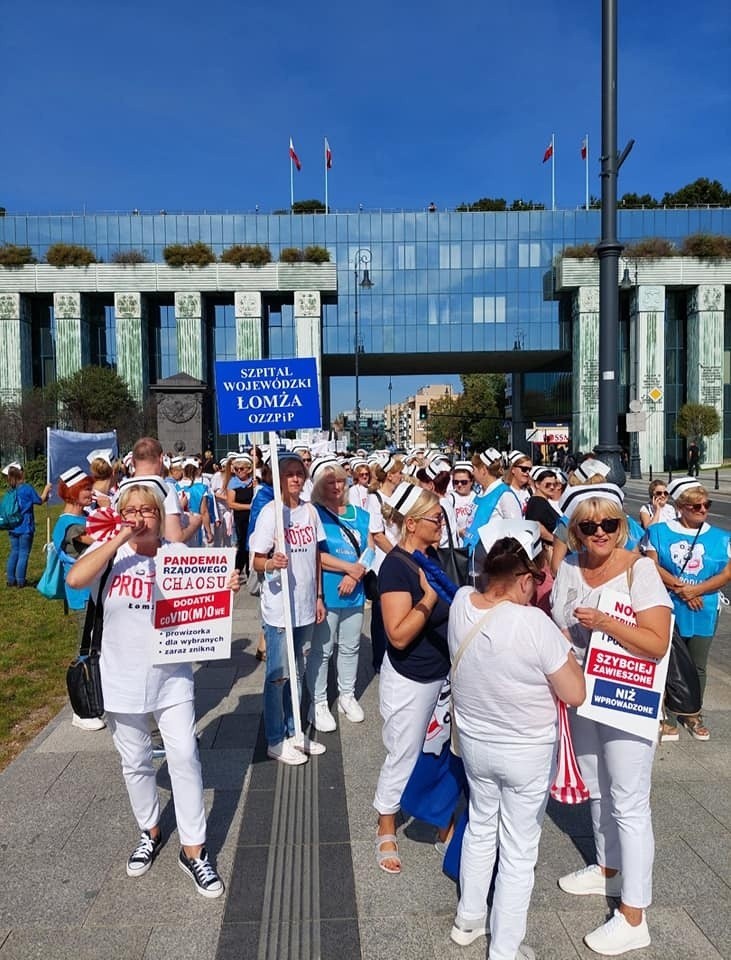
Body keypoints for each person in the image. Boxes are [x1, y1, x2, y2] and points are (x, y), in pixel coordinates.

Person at [66, 476, 238, 897]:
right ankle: (150, 829)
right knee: (136, 761)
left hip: (172, 677)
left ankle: (194, 850)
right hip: (121, 676)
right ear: (120, 515)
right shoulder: (111, 556)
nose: (141, 517)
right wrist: (119, 536)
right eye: (132, 510)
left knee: (184, 755)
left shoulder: (177, 554)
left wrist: (224, 588)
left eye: (148, 511)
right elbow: (75, 580)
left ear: (161, 518)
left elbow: (204, 599)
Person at [448, 526, 585, 955]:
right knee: (519, 850)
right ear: (526, 578)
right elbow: (575, 692)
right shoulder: (534, 624)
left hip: (474, 742)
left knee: (481, 824)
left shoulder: (459, 603)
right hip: (525, 750)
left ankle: (467, 920)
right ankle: (505, 948)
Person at [551, 491, 672, 956]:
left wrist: (603, 620)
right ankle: (608, 867)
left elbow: (656, 641)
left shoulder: (638, 568)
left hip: (627, 695)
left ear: (621, 524)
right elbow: (559, 620)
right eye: (587, 525)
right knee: (597, 787)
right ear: (574, 529)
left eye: (608, 523)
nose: (599, 531)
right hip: (582, 691)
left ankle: (634, 915)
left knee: (629, 801)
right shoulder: (568, 567)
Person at [373, 482, 451, 875]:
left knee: (441, 752)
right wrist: (429, 600)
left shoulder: (432, 556)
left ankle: (442, 821)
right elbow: (398, 634)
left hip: (443, 674)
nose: (442, 524)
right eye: (436, 519)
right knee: (404, 751)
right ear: (413, 523)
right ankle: (386, 823)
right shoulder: (396, 567)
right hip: (410, 677)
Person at [249, 453, 327, 765]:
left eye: (299, 473)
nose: (295, 478)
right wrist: (270, 562)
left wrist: (319, 595)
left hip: (306, 604)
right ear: (278, 479)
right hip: (280, 607)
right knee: (278, 675)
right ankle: (275, 738)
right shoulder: (271, 513)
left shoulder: (310, 511)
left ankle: (295, 731)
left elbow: (318, 558)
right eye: (289, 474)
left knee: (299, 671)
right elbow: (255, 560)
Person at [644, 477, 731, 742]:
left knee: (697, 664)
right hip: (669, 606)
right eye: (696, 506)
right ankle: (667, 715)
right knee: (667, 661)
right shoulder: (658, 532)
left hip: (705, 606)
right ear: (681, 506)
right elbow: (650, 565)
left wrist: (698, 590)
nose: (703, 510)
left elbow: (727, 572)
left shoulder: (720, 536)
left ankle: (693, 712)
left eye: (706, 504)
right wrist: (683, 588)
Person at [306, 456, 371, 730]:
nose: (336, 486)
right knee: (322, 649)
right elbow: (315, 554)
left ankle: (347, 694)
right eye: (329, 481)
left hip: (355, 589)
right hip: (327, 591)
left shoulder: (361, 514)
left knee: (350, 646)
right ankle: (317, 702)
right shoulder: (312, 513)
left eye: (340, 481)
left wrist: (357, 572)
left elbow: (372, 548)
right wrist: (349, 569)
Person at [51, 466, 104, 732]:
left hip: (91, 591)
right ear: (72, 492)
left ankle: (94, 700)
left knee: (94, 646)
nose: (90, 492)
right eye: (85, 488)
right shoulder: (70, 524)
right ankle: (81, 709)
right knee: (85, 648)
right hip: (84, 593)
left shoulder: (80, 517)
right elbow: (96, 541)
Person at [3, 462, 52, 588]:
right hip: (25, 526)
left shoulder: (10, 490)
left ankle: (10, 579)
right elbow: (39, 500)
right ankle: (20, 581)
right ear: (21, 473)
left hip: (13, 526)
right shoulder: (27, 488)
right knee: (24, 553)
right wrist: (46, 490)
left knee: (14, 552)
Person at [226, 454, 256, 573]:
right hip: (241, 519)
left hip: (253, 518)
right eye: (237, 469)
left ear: (249, 469)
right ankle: (237, 569)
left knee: (253, 543)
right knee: (243, 543)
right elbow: (231, 504)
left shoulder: (255, 482)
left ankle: (251, 570)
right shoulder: (233, 483)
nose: (239, 471)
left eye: (242, 469)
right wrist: (249, 507)